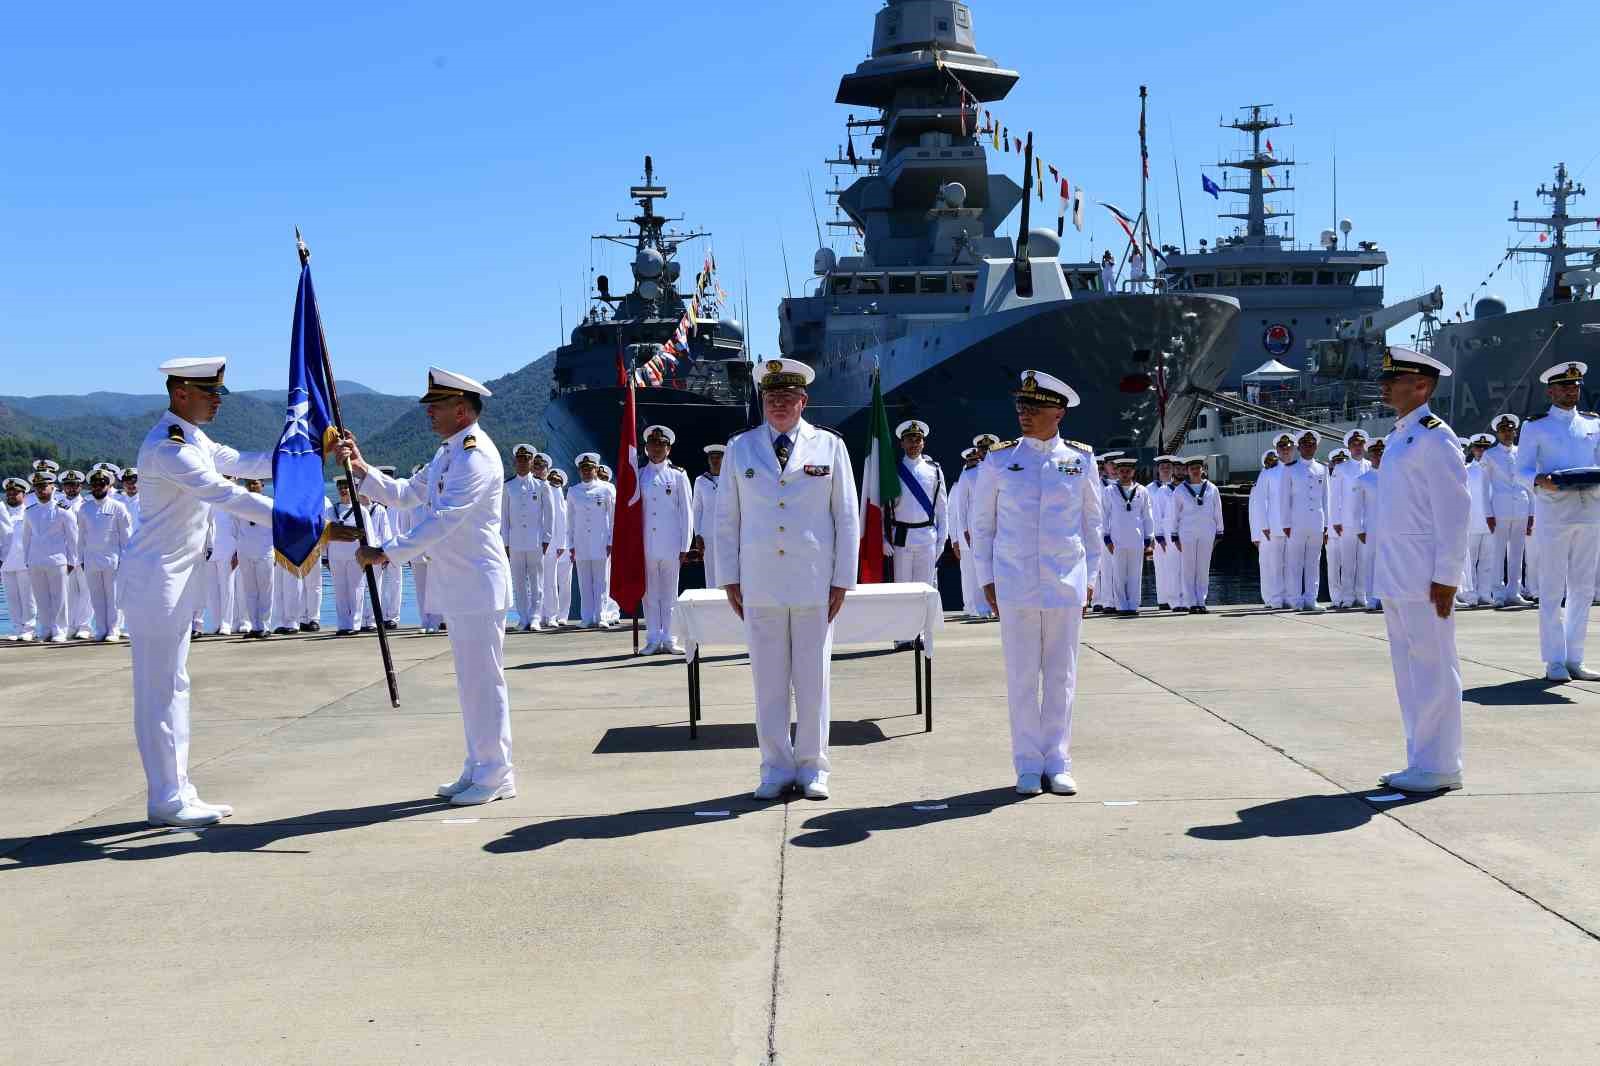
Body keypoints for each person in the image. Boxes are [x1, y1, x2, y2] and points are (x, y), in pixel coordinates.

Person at [337, 366, 516, 806]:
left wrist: (386, 551)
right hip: (458, 583)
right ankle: (479, 765)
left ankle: (496, 773)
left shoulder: (475, 456)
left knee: (484, 682)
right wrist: (361, 468)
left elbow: (444, 518)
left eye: (436, 406)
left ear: (461, 410)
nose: (429, 413)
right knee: (470, 684)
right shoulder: (446, 454)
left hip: (477, 582)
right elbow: (404, 494)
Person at [121, 356, 275, 826]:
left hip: (177, 576)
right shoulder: (169, 448)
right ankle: (165, 799)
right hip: (156, 579)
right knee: (159, 689)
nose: (218, 402)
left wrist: (307, 453)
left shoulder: (194, 439)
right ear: (181, 393)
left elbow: (243, 464)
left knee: (176, 684)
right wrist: (303, 522)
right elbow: (226, 493)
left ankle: (179, 789)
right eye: (210, 393)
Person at [715, 358, 858, 800]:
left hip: (815, 582)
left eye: (787, 397)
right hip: (760, 583)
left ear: (803, 401)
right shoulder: (740, 448)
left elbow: (846, 516)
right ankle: (775, 767)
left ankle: (814, 767)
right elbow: (726, 519)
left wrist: (843, 579)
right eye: (772, 396)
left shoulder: (830, 446)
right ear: (763, 400)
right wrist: (729, 577)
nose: (779, 404)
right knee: (768, 683)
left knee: (813, 681)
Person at [972, 369, 1102, 795]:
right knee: (1022, 676)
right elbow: (983, 525)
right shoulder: (999, 460)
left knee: (1062, 675)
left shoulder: (1081, 460)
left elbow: (1092, 525)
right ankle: (1028, 763)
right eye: (1021, 406)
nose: (1024, 413)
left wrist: (1091, 578)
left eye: (1033, 407)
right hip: (1015, 580)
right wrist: (986, 577)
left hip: (1065, 580)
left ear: (1058, 412)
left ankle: (1058, 760)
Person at [1371, 348, 1470, 793]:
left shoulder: (1435, 437)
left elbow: (1454, 510)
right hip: (1398, 573)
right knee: (1409, 670)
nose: (1384, 385)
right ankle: (1421, 759)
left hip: (1426, 577)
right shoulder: (1401, 436)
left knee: (1434, 668)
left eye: (1394, 379)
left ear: (1422, 386)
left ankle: (1442, 764)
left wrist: (1448, 576)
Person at [1515, 361, 1600, 681]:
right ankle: (1554, 660)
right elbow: (1520, 470)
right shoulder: (1536, 427)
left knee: (1583, 588)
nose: (1571, 391)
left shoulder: (1593, 423)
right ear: (1550, 391)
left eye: (1575, 386)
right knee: (1552, 589)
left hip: (1589, 511)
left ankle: (1575, 658)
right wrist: (1539, 480)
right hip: (1554, 513)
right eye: (1564, 386)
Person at [639, 425, 693, 654]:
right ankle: (653, 638)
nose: (657, 448)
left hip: (671, 543)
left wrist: (685, 545)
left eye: (661, 445)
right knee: (649, 594)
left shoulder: (678, 475)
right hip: (646, 544)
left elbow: (686, 511)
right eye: (653, 444)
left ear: (668, 449)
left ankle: (670, 638)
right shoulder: (639, 475)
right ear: (646, 448)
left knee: (670, 593)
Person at [887, 420, 948, 589]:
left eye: (918, 440)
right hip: (901, 537)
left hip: (927, 538)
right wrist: (883, 538)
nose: (914, 444)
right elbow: (884, 508)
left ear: (923, 443)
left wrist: (942, 539)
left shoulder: (934, 470)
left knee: (925, 590)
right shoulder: (892, 470)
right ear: (902, 443)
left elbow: (942, 508)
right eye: (909, 440)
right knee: (902, 590)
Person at [1275, 429, 1329, 612]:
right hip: (1296, 523)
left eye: (1312, 445)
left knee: (1313, 562)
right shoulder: (1290, 469)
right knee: (1295, 563)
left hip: (1317, 522)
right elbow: (1284, 499)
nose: (1308, 447)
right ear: (1299, 448)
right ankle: (1296, 600)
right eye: (1305, 445)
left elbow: (1326, 498)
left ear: (1316, 447)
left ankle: (1311, 599)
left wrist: (1327, 524)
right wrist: (1285, 524)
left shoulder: (1322, 468)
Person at [22, 469, 79, 643]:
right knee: (41, 598)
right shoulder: (30, 511)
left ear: (52, 487)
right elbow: (26, 538)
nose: (41, 490)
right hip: (35, 561)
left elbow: (73, 537)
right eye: (38, 487)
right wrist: (27, 560)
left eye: (44, 486)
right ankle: (46, 629)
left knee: (60, 598)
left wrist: (72, 560)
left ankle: (60, 630)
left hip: (57, 560)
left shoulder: (63, 510)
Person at [502, 443, 554, 632]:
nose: (523, 463)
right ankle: (523, 617)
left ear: (532, 462)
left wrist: (547, 538)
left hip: (536, 540)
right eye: (520, 459)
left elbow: (549, 514)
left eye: (526, 459)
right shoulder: (508, 486)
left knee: (536, 582)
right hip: (515, 541)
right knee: (518, 583)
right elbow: (504, 517)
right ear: (515, 462)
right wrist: (505, 542)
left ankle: (535, 617)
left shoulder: (541, 485)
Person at [79, 463, 134, 641]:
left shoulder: (118, 507)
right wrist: (81, 559)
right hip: (91, 559)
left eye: (101, 484)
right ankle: (101, 629)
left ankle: (113, 629)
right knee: (96, 597)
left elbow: (126, 537)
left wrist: (126, 559)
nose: (97, 487)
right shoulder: (84, 508)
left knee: (113, 596)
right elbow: (81, 537)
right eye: (94, 485)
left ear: (108, 486)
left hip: (113, 559)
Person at [1102, 457, 1153, 616]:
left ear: (1133, 472)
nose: (1124, 474)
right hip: (1116, 539)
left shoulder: (1142, 490)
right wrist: (1106, 537)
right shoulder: (1109, 491)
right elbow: (1104, 515)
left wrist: (1149, 538)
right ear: (1117, 472)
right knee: (1118, 575)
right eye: (1122, 471)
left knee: (1135, 574)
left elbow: (1147, 516)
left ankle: (1133, 605)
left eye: (1128, 471)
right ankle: (1121, 606)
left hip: (1137, 539)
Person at [569, 453, 615, 628]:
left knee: (602, 581)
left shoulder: (607, 489)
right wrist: (571, 544)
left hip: (600, 541)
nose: (587, 472)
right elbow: (570, 520)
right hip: (581, 542)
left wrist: (611, 541)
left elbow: (613, 518)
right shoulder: (573, 491)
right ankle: (587, 617)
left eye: (590, 468)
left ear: (596, 469)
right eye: (583, 469)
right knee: (584, 581)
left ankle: (601, 615)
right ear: (579, 471)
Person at [1173, 456, 1225, 613]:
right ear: (1187, 471)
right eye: (1192, 468)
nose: (1195, 471)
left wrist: (1220, 531)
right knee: (1188, 568)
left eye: (1198, 468)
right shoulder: (1180, 490)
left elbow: (1217, 510)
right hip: (1186, 533)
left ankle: (1201, 601)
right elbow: (1174, 514)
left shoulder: (1212, 488)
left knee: (1203, 567)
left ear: (1203, 469)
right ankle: (1190, 602)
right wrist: (1174, 535)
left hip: (1207, 531)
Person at [1330, 430, 1373, 608]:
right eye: (1354, 445)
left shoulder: (1370, 466)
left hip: (1367, 521)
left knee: (1364, 561)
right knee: (1348, 562)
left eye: (1360, 444)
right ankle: (1347, 596)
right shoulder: (1341, 468)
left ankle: (1361, 595)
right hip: (1346, 521)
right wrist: (1336, 521)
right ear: (1349, 447)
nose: (1357, 447)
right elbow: (1334, 496)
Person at [398, 463, 442, 633]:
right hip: (417, 552)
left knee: (436, 587)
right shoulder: (410, 505)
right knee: (421, 589)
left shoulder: (438, 500)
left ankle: (436, 621)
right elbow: (405, 529)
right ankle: (425, 621)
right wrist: (406, 552)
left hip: (436, 552)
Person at [327, 478, 373, 635]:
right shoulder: (330, 511)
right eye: (340, 487)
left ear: (353, 489)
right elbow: (325, 534)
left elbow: (369, 535)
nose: (343, 490)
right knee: (339, 590)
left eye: (346, 487)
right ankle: (343, 625)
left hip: (355, 556)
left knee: (356, 590)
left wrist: (369, 555)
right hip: (335, 555)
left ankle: (354, 624)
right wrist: (325, 556)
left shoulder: (361, 510)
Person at [233, 482, 276, 638]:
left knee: (265, 591)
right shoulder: (240, 505)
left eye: (255, 483)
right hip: (245, 552)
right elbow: (236, 528)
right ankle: (255, 626)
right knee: (250, 591)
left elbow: (277, 528)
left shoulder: (270, 504)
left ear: (262, 485)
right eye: (249, 483)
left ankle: (265, 625)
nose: (252, 486)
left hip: (265, 551)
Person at [947, 447, 984, 618]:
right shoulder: (960, 483)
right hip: (965, 537)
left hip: (982, 534)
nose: (974, 462)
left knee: (983, 572)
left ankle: (983, 606)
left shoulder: (986, 478)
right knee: (970, 574)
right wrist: (955, 538)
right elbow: (954, 514)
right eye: (971, 460)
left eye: (976, 459)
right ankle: (972, 607)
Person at [57, 469, 93, 640]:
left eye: (74, 485)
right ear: (63, 487)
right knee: (69, 593)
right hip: (65, 554)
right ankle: (70, 626)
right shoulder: (56, 505)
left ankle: (84, 626)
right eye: (68, 485)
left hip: (84, 552)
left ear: (80, 486)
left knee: (86, 592)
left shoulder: (87, 504)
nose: (71, 488)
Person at [1463, 434, 1498, 607]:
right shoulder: (1466, 471)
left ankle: (1485, 592)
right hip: (1472, 522)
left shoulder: (1496, 470)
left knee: (1488, 561)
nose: (1481, 451)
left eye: (1485, 448)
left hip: (1491, 523)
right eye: (1478, 447)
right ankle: (1471, 594)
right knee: (1470, 562)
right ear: (1472, 450)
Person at [1350, 438, 1384, 611]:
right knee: (1371, 563)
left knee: (1390, 563)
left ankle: (1387, 598)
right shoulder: (1363, 479)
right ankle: (1371, 598)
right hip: (1372, 527)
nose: (1378, 456)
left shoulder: (1395, 476)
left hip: (1392, 528)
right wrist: (1359, 529)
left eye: (1381, 453)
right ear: (1369, 455)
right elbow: (1357, 508)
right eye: (1375, 453)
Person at [1, 475, 37, 641]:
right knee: (12, 599)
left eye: (15, 493)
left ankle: (29, 629)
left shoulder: (30, 512)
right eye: (9, 493)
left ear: (24, 494)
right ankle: (17, 628)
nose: (11, 496)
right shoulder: (2, 512)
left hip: (24, 562)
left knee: (28, 598)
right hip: (5, 563)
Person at [542, 468, 573, 627]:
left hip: (565, 548)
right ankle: (546, 614)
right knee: (547, 582)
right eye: (552, 479)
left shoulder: (567, 503)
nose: (555, 482)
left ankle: (563, 615)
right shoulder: (545, 499)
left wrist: (570, 547)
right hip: (550, 546)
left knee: (565, 584)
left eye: (558, 481)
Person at [372, 467, 402, 629]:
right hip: (378, 549)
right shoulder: (374, 503)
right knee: (379, 584)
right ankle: (380, 615)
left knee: (395, 583)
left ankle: (393, 617)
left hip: (397, 547)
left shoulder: (400, 502)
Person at [1250, 450, 1280, 609]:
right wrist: (1255, 536)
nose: (1272, 463)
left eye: (1274, 460)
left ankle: (1280, 597)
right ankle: (1268, 598)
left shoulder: (1281, 480)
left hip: (1279, 529)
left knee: (1281, 564)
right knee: (1266, 565)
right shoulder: (1258, 484)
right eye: (1269, 461)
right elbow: (1253, 511)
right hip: (1263, 532)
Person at [691, 444, 725, 588]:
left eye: (718, 457)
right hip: (708, 534)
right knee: (710, 572)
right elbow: (697, 509)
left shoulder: (731, 479)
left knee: (728, 572)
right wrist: (697, 534)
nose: (715, 460)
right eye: (712, 458)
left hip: (728, 533)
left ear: (724, 459)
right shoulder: (700, 481)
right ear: (708, 460)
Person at [1148, 455, 1179, 610]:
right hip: (1157, 533)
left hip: (1174, 533)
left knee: (1177, 566)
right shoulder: (1149, 489)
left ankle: (1178, 598)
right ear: (1157, 470)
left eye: (1168, 467)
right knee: (1160, 567)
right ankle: (1163, 600)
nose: (1165, 469)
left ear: (1173, 469)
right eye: (1162, 467)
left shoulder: (1180, 487)